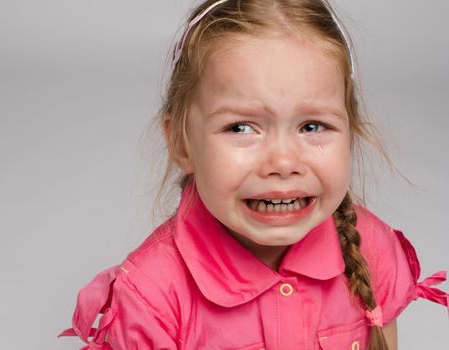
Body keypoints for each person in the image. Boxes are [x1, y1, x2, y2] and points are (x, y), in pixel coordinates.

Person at [60, 0, 448, 349]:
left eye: (312, 126)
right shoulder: (152, 295)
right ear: (182, 143)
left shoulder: (372, 249)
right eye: (241, 127)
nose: (282, 162)